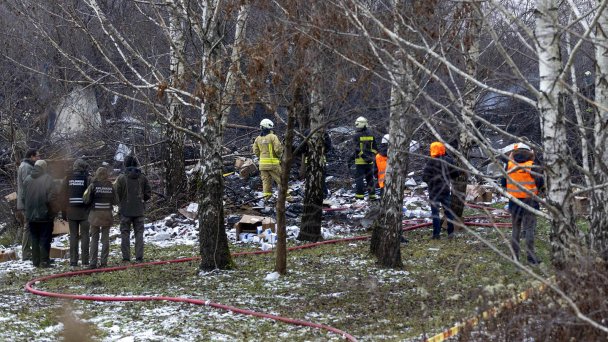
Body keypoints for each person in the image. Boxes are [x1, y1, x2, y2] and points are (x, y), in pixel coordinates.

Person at [501, 143, 544, 265]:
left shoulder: (509, 165)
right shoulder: (533, 166)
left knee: (516, 229)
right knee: (529, 229)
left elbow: (503, 183)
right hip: (530, 202)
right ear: (530, 153)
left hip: (514, 202)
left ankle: (515, 258)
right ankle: (531, 258)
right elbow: (540, 183)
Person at [114, 155, 151, 263]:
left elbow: (117, 195)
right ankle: (139, 257)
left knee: (125, 234)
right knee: (139, 234)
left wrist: (121, 203)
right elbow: (148, 193)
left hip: (125, 211)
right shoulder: (142, 177)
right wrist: (141, 199)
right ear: (136, 164)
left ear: (125, 164)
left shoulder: (121, 178)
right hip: (139, 211)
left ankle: (126, 258)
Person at [20, 159, 57, 268]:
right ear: (44, 168)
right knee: (45, 238)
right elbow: (52, 198)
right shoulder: (48, 179)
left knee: (35, 237)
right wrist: (52, 211)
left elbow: (22, 197)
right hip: (45, 215)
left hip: (31, 215)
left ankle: (35, 261)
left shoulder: (27, 179)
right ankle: (44, 261)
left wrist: (28, 209)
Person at [422, 141, 459, 239]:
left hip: (434, 191)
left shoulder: (430, 161)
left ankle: (436, 235)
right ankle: (451, 233)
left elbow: (424, 177)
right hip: (445, 190)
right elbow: (456, 174)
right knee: (448, 212)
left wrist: (430, 182)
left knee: (435, 213)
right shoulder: (448, 161)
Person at [84, 167, 115, 269]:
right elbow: (116, 200)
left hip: (95, 215)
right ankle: (104, 262)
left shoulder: (93, 186)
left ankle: (92, 263)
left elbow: (85, 199)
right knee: (105, 240)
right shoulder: (111, 186)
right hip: (107, 215)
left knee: (94, 239)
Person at [64, 158, 92, 267]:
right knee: (85, 236)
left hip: (71, 211)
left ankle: (73, 261)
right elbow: (91, 195)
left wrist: (63, 212)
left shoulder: (68, 179)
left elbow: (63, 196)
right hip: (84, 212)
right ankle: (85, 261)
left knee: (73, 236)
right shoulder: (87, 178)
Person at [16, 148, 39, 261]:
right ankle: (26, 254)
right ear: (31, 156)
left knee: (30, 227)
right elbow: (27, 186)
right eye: (37, 156)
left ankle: (29, 252)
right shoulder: (26, 167)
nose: (38, 158)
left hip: (28, 202)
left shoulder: (26, 166)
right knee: (28, 227)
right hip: (28, 203)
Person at [252, 119, 283, 200]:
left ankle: (266, 198)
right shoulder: (273, 137)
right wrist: (280, 156)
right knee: (281, 180)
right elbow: (278, 149)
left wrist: (261, 157)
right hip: (273, 164)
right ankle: (288, 197)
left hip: (262, 165)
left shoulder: (258, 139)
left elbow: (255, 151)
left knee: (266, 182)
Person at [351, 116, 378, 200]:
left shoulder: (356, 136)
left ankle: (359, 196)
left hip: (360, 161)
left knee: (359, 179)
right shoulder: (371, 135)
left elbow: (357, 149)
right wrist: (370, 157)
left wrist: (363, 157)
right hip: (370, 162)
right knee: (370, 179)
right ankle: (372, 196)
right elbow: (375, 149)